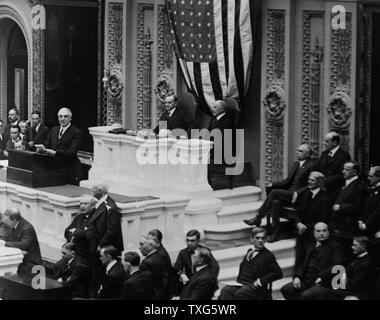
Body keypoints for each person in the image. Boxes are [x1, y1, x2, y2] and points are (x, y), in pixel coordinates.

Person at [244, 144, 315, 242]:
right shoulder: (296, 164)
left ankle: (258, 217)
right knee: (275, 203)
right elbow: (287, 181)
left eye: (300, 151)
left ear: (307, 155)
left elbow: (311, 185)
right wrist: (272, 184)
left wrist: (297, 193)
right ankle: (276, 233)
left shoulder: (312, 166)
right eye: (298, 150)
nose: (297, 152)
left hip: (301, 196)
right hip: (289, 194)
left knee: (274, 192)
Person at [281, 222, 345, 300]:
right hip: (306, 280)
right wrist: (298, 276)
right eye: (318, 231)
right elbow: (303, 264)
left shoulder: (335, 246)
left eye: (324, 231)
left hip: (322, 282)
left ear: (328, 232)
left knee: (305, 295)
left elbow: (338, 266)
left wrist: (322, 277)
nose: (321, 233)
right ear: (314, 233)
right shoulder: (311, 245)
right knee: (286, 289)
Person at [219, 227, 282, 300]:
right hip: (242, 284)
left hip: (256, 288)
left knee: (240, 293)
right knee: (226, 290)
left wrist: (260, 281)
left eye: (263, 238)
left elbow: (278, 273)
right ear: (252, 239)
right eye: (257, 238)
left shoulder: (268, 255)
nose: (260, 240)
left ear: (265, 240)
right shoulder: (249, 252)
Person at [293, 172, 331, 269]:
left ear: (319, 182)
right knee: (299, 259)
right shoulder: (306, 194)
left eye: (312, 180)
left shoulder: (324, 198)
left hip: (313, 235)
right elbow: (297, 212)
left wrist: (305, 226)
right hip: (301, 232)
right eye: (309, 179)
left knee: (309, 262)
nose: (309, 182)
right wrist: (298, 223)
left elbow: (323, 219)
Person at [330, 161, 366, 258]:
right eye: (343, 169)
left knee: (344, 253)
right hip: (337, 224)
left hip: (347, 226)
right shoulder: (344, 183)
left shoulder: (360, 186)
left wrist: (340, 207)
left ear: (354, 172)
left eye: (346, 170)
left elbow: (358, 206)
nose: (343, 171)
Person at [43, 107, 82, 185]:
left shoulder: (76, 132)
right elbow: (47, 144)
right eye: (60, 116)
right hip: (54, 169)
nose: (62, 119)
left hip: (69, 170)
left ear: (70, 118)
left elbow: (72, 152)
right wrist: (42, 149)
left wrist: (55, 153)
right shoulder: (54, 129)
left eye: (65, 116)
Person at [0, 208, 42, 276]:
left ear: (14, 220)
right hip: (20, 258)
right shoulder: (12, 225)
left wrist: (5, 244)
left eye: (7, 220)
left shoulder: (27, 228)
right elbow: (10, 240)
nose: (6, 222)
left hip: (30, 263)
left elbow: (23, 244)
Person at [91, 183, 123, 254]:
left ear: (99, 191)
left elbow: (112, 231)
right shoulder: (100, 203)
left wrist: (100, 245)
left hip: (106, 249)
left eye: (93, 189)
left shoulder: (110, 207)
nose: (91, 190)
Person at [139, 235, 166, 300]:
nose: (139, 247)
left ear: (151, 246)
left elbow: (142, 284)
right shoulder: (160, 256)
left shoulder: (146, 263)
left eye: (142, 244)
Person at [147, 229, 172, 298]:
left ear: (156, 240)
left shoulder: (161, 254)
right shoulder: (158, 250)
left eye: (149, 239)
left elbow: (165, 274)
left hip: (161, 289)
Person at [358, 166, 380, 236]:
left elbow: (378, 211)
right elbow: (365, 206)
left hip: (375, 227)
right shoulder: (370, 189)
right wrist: (360, 221)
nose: (368, 178)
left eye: (371, 176)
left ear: (378, 177)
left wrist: (366, 224)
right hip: (364, 226)